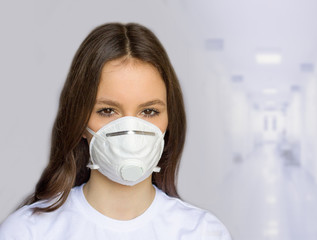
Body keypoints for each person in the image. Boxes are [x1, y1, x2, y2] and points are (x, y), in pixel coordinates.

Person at [0, 22, 231, 239]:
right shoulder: (28, 232)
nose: (130, 132)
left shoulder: (202, 233)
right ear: (79, 121)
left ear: (170, 120)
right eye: (108, 111)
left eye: (149, 112)